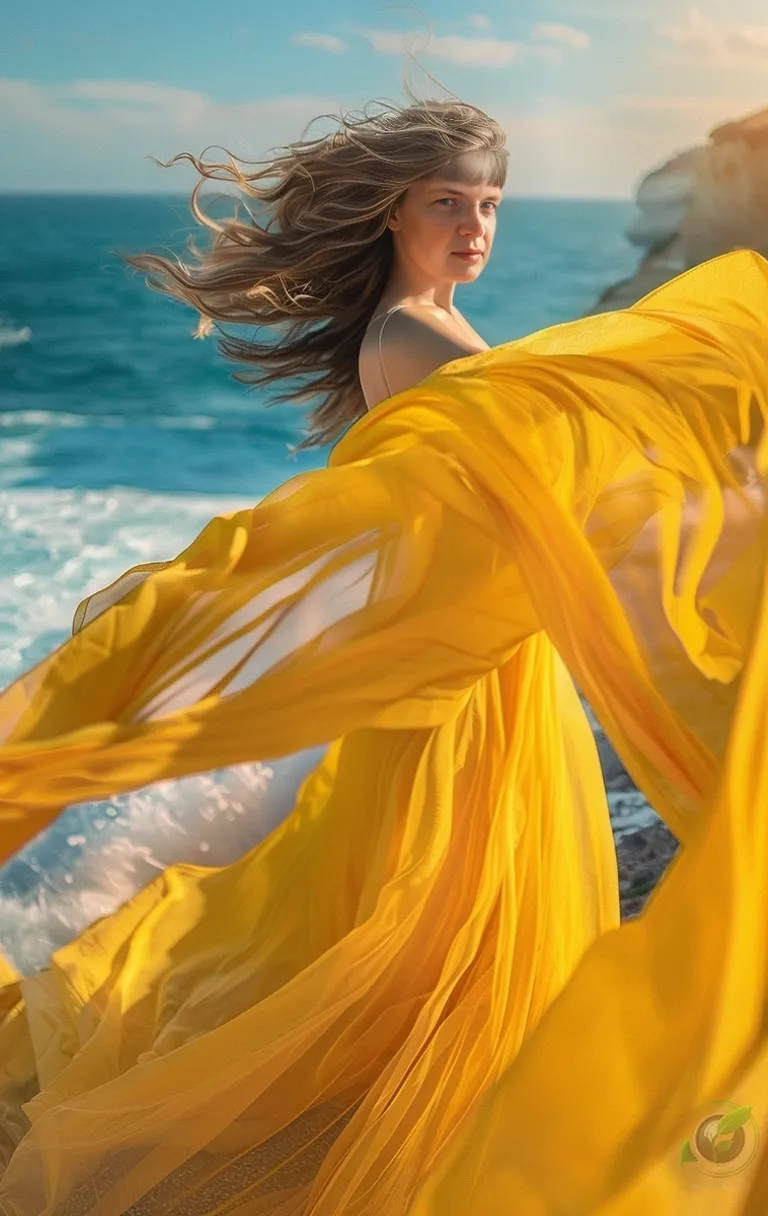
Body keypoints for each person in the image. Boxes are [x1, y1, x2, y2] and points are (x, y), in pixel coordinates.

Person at [0, 92, 768, 1216]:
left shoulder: (427, 331)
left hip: (476, 671)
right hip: (464, 689)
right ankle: (414, 1133)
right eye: (447, 201)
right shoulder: (418, 336)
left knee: (424, 930)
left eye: (492, 202)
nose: (475, 225)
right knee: (430, 933)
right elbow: (539, 488)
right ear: (389, 216)